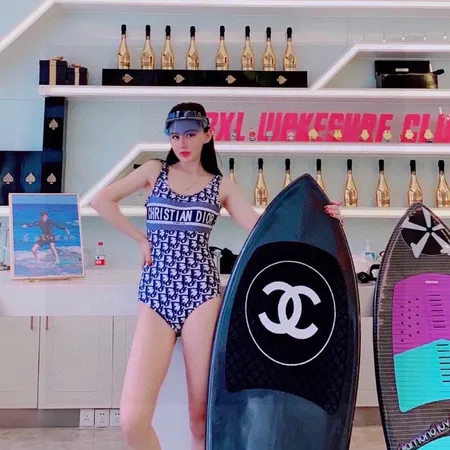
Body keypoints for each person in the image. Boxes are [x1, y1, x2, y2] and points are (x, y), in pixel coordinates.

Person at [90, 102, 342, 450]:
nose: (182, 143)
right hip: (156, 293)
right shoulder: (154, 171)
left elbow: (264, 228)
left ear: (208, 134)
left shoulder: (220, 186)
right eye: (175, 136)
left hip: (202, 296)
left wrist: (323, 218)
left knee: (201, 417)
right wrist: (141, 239)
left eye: (190, 134)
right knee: (132, 420)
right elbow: (101, 200)